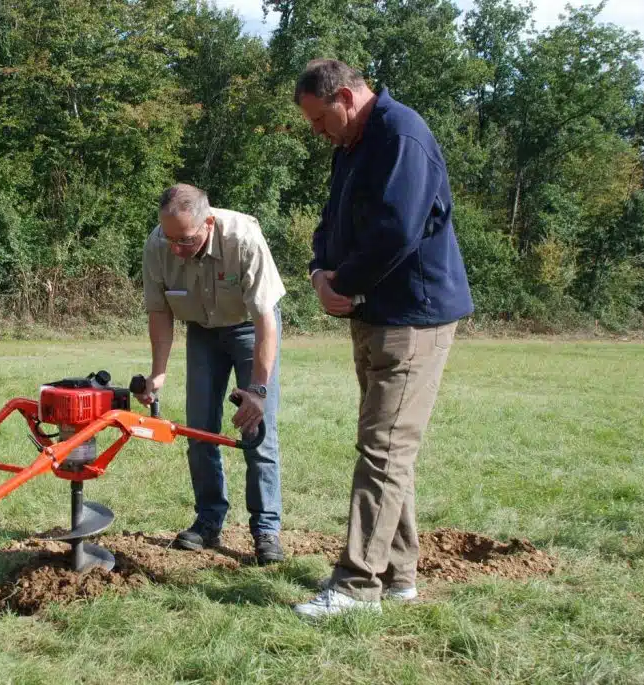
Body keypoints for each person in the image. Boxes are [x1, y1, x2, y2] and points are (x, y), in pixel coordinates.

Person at [290, 60, 474, 618]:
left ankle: (356, 586)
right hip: (373, 315)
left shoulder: (402, 136)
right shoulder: (353, 144)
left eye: (322, 119)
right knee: (390, 449)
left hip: (412, 318)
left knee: (384, 448)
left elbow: (398, 228)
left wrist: (342, 282)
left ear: (346, 96)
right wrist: (321, 274)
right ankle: (398, 575)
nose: (319, 131)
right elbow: (331, 220)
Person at [137, 183, 287, 565]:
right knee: (200, 432)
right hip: (202, 333)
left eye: (184, 240)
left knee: (257, 432)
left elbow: (265, 320)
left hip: (249, 328)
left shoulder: (243, 239)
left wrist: (257, 389)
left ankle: (266, 530)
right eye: (169, 238)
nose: (175, 249)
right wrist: (158, 374)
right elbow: (160, 312)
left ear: (208, 221)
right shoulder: (159, 244)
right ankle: (208, 521)